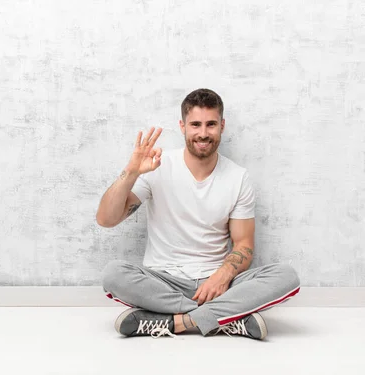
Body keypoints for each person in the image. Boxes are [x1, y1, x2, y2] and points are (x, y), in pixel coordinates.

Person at [95, 88, 300, 340]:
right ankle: (224, 319)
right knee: (113, 274)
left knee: (286, 276)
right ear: (182, 126)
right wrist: (132, 171)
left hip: (217, 284)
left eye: (211, 124)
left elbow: (244, 244)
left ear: (222, 126)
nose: (203, 133)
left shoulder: (238, 177)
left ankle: (174, 321)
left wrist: (222, 277)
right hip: (165, 281)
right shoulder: (158, 167)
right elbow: (106, 219)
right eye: (195, 124)